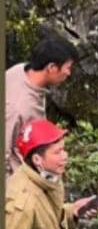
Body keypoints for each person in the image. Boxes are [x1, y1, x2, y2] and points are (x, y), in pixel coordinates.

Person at [5, 35, 79, 175]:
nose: (69, 73)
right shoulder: (20, 107)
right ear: (51, 67)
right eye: (67, 68)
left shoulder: (20, 70)